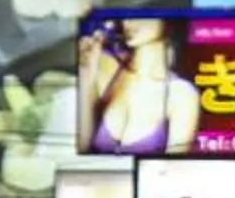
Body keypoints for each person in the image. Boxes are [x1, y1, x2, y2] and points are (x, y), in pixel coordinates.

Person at [80, 16, 200, 156]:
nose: (129, 22)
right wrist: (86, 76)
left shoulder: (182, 95)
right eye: (126, 15)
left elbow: (173, 166)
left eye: (145, 13)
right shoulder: (106, 65)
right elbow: (83, 148)